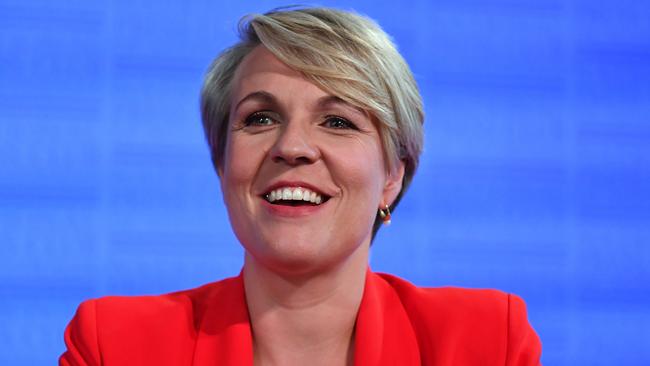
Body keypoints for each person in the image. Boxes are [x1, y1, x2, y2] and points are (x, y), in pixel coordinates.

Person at [60, 6, 542, 366]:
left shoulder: (484, 342)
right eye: (260, 118)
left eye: (337, 121)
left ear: (392, 176)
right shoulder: (117, 346)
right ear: (223, 163)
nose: (292, 147)